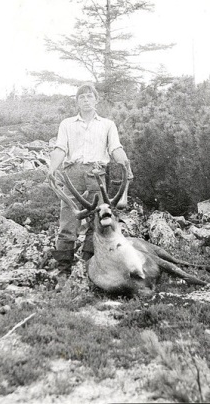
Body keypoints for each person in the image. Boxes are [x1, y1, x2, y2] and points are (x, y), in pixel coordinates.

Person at [48, 83, 133, 278]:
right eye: (82, 97)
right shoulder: (67, 124)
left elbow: (115, 149)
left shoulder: (107, 124)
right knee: (68, 223)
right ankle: (63, 272)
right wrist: (52, 168)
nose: (86, 100)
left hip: (97, 176)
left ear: (96, 100)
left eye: (89, 97)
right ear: (77, 102)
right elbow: (60, 149)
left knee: (96, 225)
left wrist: (125, 164)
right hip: (73, 176)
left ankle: (88, 269)